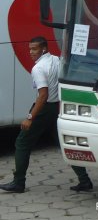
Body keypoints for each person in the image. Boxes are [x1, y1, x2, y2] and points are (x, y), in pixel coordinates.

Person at [0, 36, 93, 193]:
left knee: (22, 143)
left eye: (34, 49)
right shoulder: (57, 60)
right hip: (58, 107)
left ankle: (18, 182)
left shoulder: (38, 68)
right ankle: (85, 180)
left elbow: (43, 95)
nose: (31, 52)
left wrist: (30, 118)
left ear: (44, 48)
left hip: (45, 108)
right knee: (66, 144)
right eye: (30, 49)